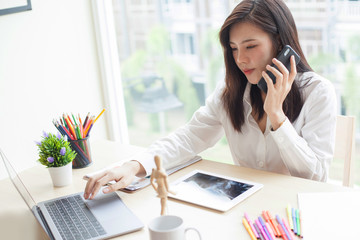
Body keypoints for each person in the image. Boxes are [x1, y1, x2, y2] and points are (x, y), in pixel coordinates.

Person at [84, 0, 336, 200]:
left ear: (280, 43)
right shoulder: (231, 92)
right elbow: (189, 137)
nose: (240, 60)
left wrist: (277, 116)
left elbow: (315, 178)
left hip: (295, 212)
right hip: (245, 208)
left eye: (250, 46)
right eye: (234, 48)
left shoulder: (318, 92)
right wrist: (134, 165)